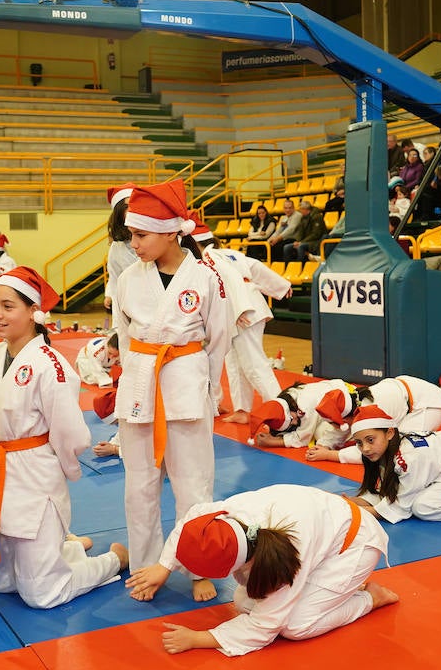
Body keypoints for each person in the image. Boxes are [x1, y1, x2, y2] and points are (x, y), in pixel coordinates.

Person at [0, 267, 129, 607]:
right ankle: (67, 546)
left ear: (33, 313)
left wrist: (63, 469)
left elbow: (70, 432)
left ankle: (113, 559)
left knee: (42, 595)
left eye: (8, 306)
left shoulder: (50, 364)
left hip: (31, 476)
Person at [112, 179, 232, 595]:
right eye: (131, 234)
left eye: (141, 234)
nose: (134, 243)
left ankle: (198, 566)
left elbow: (219, 338)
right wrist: (131, 381)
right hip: (141, 384)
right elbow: (123, 336)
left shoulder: (205, 277)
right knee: (139, 484)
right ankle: (146, 565)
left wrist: (206, 386)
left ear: (169, 232)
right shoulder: (128, 278)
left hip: (185, 384)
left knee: (193, 483)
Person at [125, 484, 396, 655]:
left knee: (295, 626)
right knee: (243, 601)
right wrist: (164, 566)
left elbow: (266, 626)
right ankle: (336, 591)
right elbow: (191, 523)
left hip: (353, 545)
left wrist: (200, 638)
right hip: (324, 529)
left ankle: (369, 598)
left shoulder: (291, 551)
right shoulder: (227, 516)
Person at [189, 218, 290, 423]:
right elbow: (255, 267)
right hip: (242, 307)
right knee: (234, 362)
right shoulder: (228, 253)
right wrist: (281, 286)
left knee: (253, 364)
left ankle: (282, 411)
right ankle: (243, 409)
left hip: (242, 310)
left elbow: (228, 279)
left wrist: (239, 309)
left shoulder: (208, 256)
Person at [343, 406, 441, 524]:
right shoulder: (388, 448)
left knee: (423, 506)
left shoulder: (408, 457)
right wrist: (356, 502)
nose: (365, 448)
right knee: (415, 497)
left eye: (370, 440)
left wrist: (359, 512)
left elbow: (400, 504)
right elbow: (389, 492)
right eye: (359, 443)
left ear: (389, 433)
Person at [305, 374, 441, 464]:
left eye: (334, 424)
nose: (335, 427)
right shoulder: (354, 401)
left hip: (428, 404)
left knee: (401, 450)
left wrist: (329, 455)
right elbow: (345, 426)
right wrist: (324, 444)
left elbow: (372, 450)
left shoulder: (368, 411)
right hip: (409, 393)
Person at [249, 377, 355, 453]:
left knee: (320, 434)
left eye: (291, 419)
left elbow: (302, 439)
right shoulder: (287, 397)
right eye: (291, 424)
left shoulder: (305, 406)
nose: (295, 422)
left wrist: (272, 442)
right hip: (330, 401)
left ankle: (352, 434)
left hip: (343, 402)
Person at [104, 182, 137, 310]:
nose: (134, 210)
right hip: (128, 305)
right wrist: (109, 295)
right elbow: (115, 278)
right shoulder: (117, 248)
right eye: (128, 206)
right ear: (119, 213)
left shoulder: (156, 238)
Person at [281, 198, 326, 263]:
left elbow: (316, 234)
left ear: (306, 209)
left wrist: (301, 242)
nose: (299, 211)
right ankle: (287, 266)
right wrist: (297, 241)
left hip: (316, 241)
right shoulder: (303, 217)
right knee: (287, 247)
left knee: (301, 246)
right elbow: (300, 232)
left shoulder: (317, 217)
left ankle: (301, 265)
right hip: (306, 241)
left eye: (301, 209)